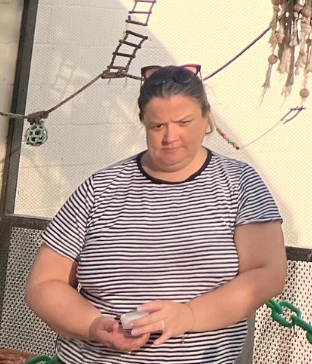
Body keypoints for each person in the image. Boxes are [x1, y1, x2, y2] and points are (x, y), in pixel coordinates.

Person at [25, 65, 288, 363]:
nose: (170, 137)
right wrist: (95, 326)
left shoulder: (239, 183)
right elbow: (46, 283)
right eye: (157, 126)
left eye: (183, 122)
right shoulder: (99, 188)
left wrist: (189, 316)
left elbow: (268, 272)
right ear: (144, 124)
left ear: (206, 118)